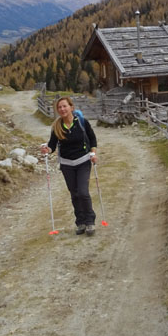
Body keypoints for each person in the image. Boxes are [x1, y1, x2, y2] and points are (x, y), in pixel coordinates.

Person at [40, 96, 98, 235]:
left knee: (83, 192)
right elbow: (52, 145)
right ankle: (80, 222)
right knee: (75, 194)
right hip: (66, 164)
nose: (62, 109)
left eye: (64, 106)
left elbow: (92, 139)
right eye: (59, 107)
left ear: (71, 107)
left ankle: (90, 221)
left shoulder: (82, 122)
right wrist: (46, 150)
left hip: (83, 161)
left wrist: (93, 153)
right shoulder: (56, 127)